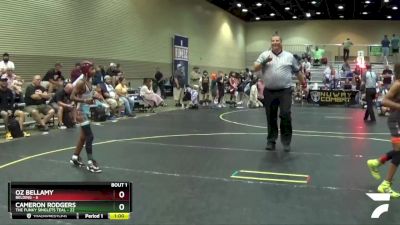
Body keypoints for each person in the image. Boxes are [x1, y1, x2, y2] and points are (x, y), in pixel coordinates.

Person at [254, 34, 306, 152]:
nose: (275, 42)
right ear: (271, 42)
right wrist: (264, 62)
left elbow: (297, 72)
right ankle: (271, 141)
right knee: (271, 116)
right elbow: (255, 68)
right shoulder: (264, 55)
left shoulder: (289, 56)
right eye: (273, 41)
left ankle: (286, 141)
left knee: (285, 114)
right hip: (269, 91)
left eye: (277, 40)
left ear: (281, 42)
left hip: (285, 91)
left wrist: (303, 83)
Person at [367, 64, 400, 198]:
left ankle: (376, 163)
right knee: (399, 153)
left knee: (399, 152)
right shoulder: (398, 84)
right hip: (395, 120)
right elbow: (384, 101)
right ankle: (386, 184)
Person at [70, 60, 101, 173]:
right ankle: (90, 163)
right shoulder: (81, 83)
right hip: (80, 112)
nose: (94, 71)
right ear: (86, 71)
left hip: (86, 111)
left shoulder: (89, 81)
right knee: (90, 136)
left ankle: (74, 158)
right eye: (92, 69)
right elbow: (72, 97)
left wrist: (95, 96)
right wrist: (85, 100)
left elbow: (88, 95)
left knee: (83, 137)